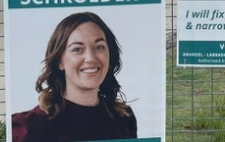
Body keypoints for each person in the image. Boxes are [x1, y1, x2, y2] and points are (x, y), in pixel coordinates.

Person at [12, 12, 137, 141]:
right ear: (59, 61)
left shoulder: (124, 119)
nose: (90, 58)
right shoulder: (27, 128)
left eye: (100, 47)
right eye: (77, 49)